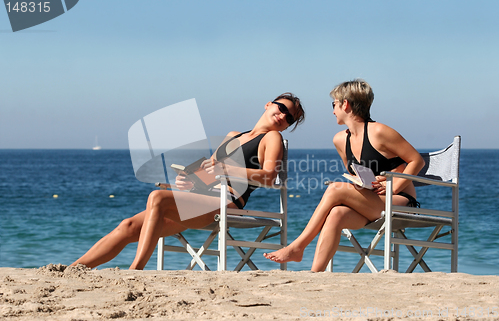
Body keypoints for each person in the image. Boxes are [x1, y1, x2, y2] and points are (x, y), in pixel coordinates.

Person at [71, 93, 305, 270]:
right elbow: (209, 170)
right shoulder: (234, 136)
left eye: (290, 118)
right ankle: (74, 269)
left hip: (227, 201)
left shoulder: (272, 138)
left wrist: (226, 168)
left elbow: (269, 177)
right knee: (128, 226)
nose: (284, 116)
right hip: (202, 197)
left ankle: (136, 270)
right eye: (282, 108)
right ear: (268, 104)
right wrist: (188, 181)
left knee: (157, 198)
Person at [264, 79, 424, 272]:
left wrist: (394, 184)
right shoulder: (340, 140)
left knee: (334, 188)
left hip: (400, 202)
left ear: (345, 104)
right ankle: (316, 273)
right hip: (374, 203)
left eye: (334, 105)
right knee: (336, 213)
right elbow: (354, 173)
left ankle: (298, 246)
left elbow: (416, 161)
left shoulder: (379, 132)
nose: (333, 111)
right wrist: (360, 183)